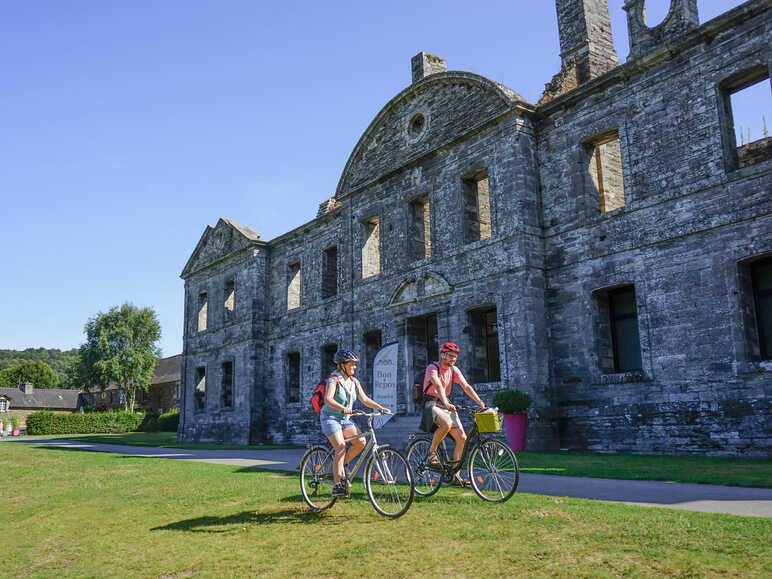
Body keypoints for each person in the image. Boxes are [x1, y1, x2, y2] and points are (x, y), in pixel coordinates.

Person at [320, 349, 391, 497]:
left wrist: (381, 407)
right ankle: (338, 485)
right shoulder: (334, 379)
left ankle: (341, 466)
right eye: (351, 364)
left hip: (345, 420)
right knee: (340, 446)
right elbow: (328, 399)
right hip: (330, 418)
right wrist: (343, 408)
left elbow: (365, 399)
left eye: (355, 364)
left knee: (361, 442)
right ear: (342, 366)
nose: (354, 367)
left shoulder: (354, 382)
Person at [420, 341, 486, 486]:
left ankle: (455, 476)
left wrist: (480, 403)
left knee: (462, 438)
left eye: (455, 357)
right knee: (446, 424)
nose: (453, 359)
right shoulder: (433, 368)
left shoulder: (454, 370)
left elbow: (466, 386)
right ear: (442, 354)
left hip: (445, 404)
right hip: (431, 403)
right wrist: (445, 402)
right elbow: (437, 385)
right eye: (450, 356)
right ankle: (432, 453)